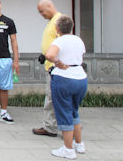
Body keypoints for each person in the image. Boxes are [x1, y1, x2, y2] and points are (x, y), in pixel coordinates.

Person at [45, 15, 87, 159]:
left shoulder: (59, 40)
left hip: (64, 78)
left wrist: (58, 62)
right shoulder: (78, 40)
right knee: (74, 111)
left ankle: (68, 149)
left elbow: (49, 54)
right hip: (80, 77)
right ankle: (79, 144)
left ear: (57, 28)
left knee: (63, 113)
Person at [33, 0, 62, 137]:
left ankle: (55, 127)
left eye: (42, 11)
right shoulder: (52, 21)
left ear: (50, 6)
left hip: (57, 66)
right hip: (50, 64)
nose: (42, 14)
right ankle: (51, 125)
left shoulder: (59, 20)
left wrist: (54, 58)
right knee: (50, 97)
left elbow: (62, 42)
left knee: (53, 98)